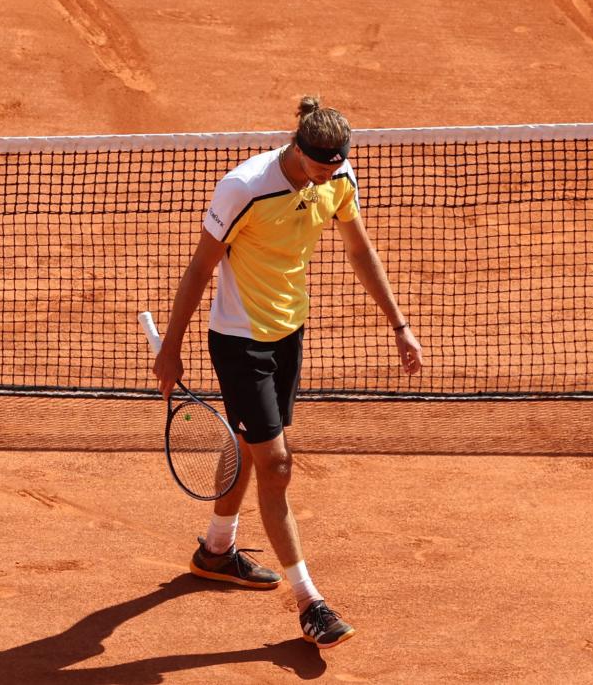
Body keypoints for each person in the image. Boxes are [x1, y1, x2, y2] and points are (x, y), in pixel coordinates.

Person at [151, 96, 424, 649]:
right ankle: (310, 604)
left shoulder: (339, 177)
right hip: (239, 340)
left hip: (288, 334)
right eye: (319, 164)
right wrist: (171, 347)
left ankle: (216, 550)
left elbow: (359, 249)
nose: (327, 172)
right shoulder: (244, 188)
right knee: (274, 465)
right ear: (296, 146)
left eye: (336, 163)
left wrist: (398, 325)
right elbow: (201, 266)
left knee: (252, 445)